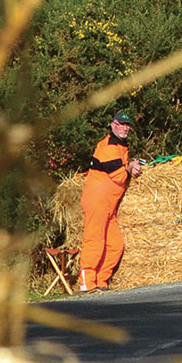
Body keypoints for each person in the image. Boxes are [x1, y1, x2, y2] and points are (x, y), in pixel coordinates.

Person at [78, 111, 142, 292]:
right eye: (122, 124)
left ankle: (100, 280)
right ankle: (86, 282)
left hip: (109, 205)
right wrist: (129, 168)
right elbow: (119, 177)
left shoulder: (121, 146)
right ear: (113, 124)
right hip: (97, 200)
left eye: (128, 125)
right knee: (94, 240)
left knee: (116, 245)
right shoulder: (108, 146)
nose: (125, 128)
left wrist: (132, 166)